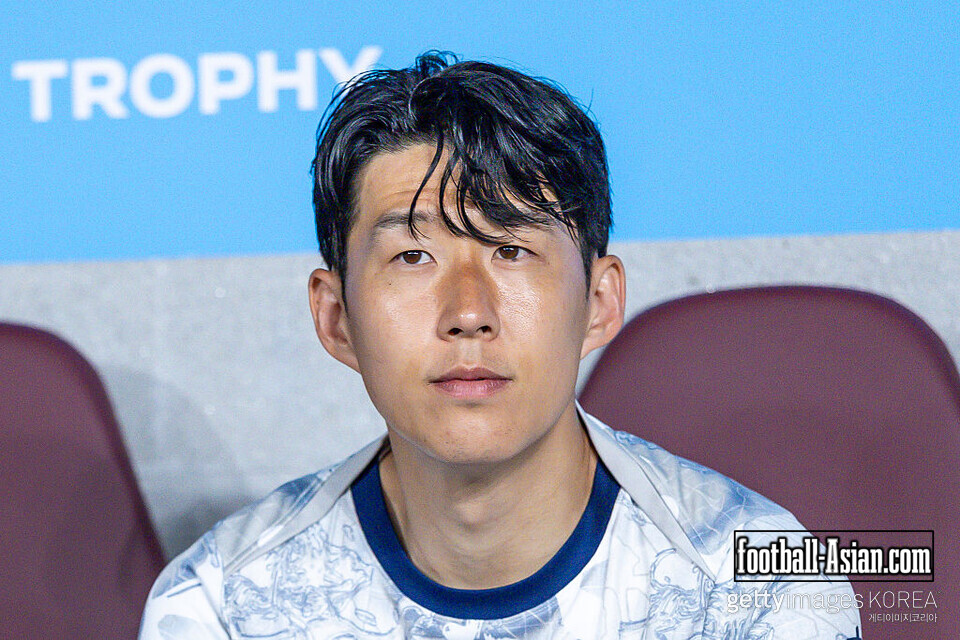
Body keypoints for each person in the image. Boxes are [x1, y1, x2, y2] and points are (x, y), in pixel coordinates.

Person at [139, 52, 861, 639]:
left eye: (512, 250)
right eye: (413, 257)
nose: (468, 313)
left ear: (599, 303)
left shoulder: (756, 588)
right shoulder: (224, 605)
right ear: (336, 319)